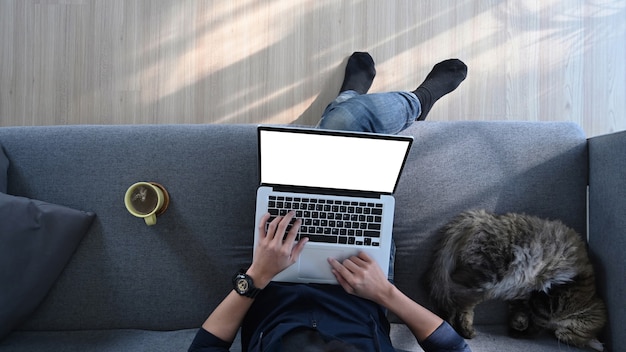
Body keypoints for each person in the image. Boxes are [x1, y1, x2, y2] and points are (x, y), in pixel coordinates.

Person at [188, 53, 469, 352]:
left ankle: (355, 97)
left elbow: (205, 348)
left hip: (274, 276)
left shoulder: (263, 274)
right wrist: (385, 292)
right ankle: (415, 101)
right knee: (344, 122)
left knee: (340, 122)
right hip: (361, 276)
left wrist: (257, 275)